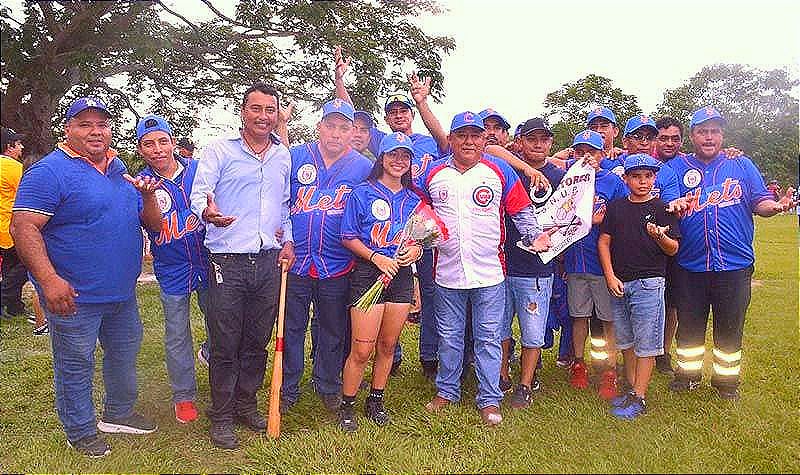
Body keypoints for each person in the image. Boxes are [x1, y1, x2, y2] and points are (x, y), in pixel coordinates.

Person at [11, 97, 161, 457]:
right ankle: (79, 430)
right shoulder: (49, 172)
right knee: (76, 362)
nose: (96, 131)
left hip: (121, 293)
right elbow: (23, 227)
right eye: (85, 124)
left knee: (124, 352)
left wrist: (148, 197)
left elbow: (152, 225)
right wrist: (48, 281)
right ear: (68, 129)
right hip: (74, 295)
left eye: (102, 124)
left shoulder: (118, 170)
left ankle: (119, 412)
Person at [421, 112, 552, 426]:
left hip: (491, 273)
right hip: (447, 274)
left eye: (475, 135)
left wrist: (535, 236)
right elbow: (418, 209)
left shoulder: (500, 170)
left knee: (489, 338)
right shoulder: (433, 173)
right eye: (461, 135)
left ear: (484, 140)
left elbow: (520, 209)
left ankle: (489, 399)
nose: (469, 141)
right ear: (450, 139)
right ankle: (447, 391)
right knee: (450, 338)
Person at [190, 82, 295, 449]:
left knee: (256, 341)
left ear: (277, 114)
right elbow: (198, 195)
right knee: (225, 342)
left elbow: (285, 205)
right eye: (256, 109)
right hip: (227, 260)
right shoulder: (219, 151)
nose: (263, 116)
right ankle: (220, 416)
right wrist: (208, 212)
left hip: (268, 260)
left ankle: (245, 405)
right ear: (242, 112)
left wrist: (289, 241)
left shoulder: (283, 155)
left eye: (270, 110)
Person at [665, 106, 794, 401]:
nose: (709, 137)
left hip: (734, 264)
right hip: (690, 263)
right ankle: (687, 376)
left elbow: (761, 201)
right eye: (702, 131)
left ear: (722, 135)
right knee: (689, 327)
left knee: (730, 327)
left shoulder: (742, 165)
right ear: (693, 136)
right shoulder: (676, 168)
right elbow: (663, 200)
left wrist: (774, 207)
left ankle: (726, 383)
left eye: (714, 131)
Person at [335, 47, 440, 379]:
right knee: (383, 297)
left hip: (418, 223)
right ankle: (389, 358)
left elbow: (445, 138)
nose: (398, 114)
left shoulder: (426, 142)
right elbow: (352, 120)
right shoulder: (383, 141)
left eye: (403, 110)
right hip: (382, 237)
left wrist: (423, 101)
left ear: (411, 113)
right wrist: (340, 80)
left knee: (429, 294)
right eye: (392, 111)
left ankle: (428, 355)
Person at [280, 99, 373, 415]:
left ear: (352, 133)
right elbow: (278, 200)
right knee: (292, 326)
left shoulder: (363, 167)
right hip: (296, 261)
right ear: (319, 127)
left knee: (332, 328)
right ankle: (287, 387)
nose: (336, 133)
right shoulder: (295, 157)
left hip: (337, 262)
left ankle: (328, 385)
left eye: (343, 128)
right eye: (330, 126)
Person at [338, 132, 423, 431]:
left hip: (399, 276)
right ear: (382, 158)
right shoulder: (362, 192)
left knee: (388, 345)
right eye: (392, 155)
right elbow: (347, 236)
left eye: (405, 156)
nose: (399, 161)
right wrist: (376, 257)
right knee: (362, 349)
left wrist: (417, 249)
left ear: (410, 161)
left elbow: (420, 238)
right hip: (367, 274)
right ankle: (346, 404)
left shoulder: (415, 200)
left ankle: (376, 399)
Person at [135, 114, 209, 424]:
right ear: (140, 149)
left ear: (173, 142)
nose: (157, 149)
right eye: (149, 144)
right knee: (177, 333)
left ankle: (213, 360)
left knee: (222, 324)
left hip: (209, 261)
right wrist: (147, 195)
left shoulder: (199, 169)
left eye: (162, 141)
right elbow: (151, 225)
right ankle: (184, 396)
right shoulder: (141, 182)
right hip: (172, 266)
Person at [598, 153, 681, 419]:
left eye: (647, 176)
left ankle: (640, 396)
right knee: (627, 341)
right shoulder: (617, 207)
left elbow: (673, 249)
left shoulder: (661, 209)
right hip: (620, 283)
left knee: (646, 343)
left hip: (649, 284)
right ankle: (632, 388)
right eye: (636, 176)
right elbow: (604, 242)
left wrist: (660, 237)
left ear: (654, 179)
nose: (642, 181)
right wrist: (610, 276)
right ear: (626, 179)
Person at [496, 118, 565, 408]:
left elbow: (570, 217)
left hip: (538, 267)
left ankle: (525, 384)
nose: (538, 144)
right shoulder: (508, 167)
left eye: (544, 139)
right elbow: (491, 149)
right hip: (502, 263)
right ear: (519, 142)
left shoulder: (560, 175)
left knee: (533, 330)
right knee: (498, 328)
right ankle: (501, 376)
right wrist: (524, 167)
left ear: (550, 142)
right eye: (532, 139)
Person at [563, 130, 628, 401]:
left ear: (603, 154)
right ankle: (578, 363)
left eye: (592, 151)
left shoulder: (612, 181)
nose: (586, 156)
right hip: (575, 262)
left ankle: (610, 371)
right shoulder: (568, 179)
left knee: (608, 319)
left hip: (603, 264)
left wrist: (603, 219)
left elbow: (626, 214)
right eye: (580, 151)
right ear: (573, 154)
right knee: (579, 317)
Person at [653, 116, 686, 374]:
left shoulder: (687, 163)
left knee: (671, 301)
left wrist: (731, 152)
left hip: (675, 240)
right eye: (664, 137)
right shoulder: (634, 159)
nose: (669, 143)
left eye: (675, 138)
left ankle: (663, 352)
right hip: (640, 243)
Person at [1, 126, 33, 321]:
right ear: (8, 147)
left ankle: (13, 306)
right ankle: (4, 297)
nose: (21, 148)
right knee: (28, 265)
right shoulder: (14, 168)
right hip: (12, 227)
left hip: (3, 229)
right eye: (18, 144)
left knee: (10, 268)